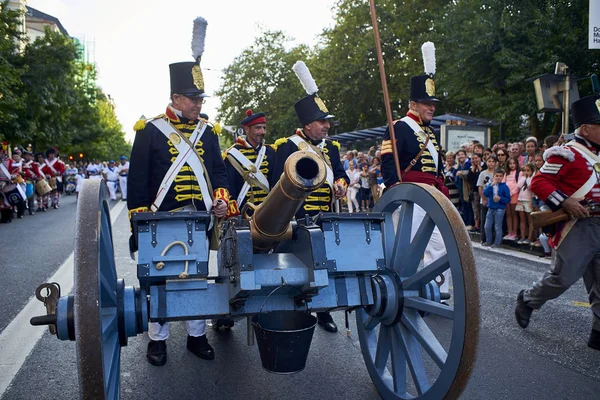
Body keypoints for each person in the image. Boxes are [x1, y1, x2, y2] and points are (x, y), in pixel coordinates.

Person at [127, 16, 230, 366]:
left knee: (197, 277)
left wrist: (220, 198)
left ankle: (196, 336)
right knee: (161, 278)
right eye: (192, 98)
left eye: (200, 98)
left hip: (198, 217)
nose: (198, 104)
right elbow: (138, 181)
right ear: (175, 97)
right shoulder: (150, 130)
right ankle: (157, 340)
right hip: (161, 219)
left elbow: (219, 171)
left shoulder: (208, 132)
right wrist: (138, 220)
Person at [514, 94, 600, 351]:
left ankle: (598, 330)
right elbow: (539, 182)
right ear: (585, 128)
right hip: (579, 225)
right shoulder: (568, 153)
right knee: (562, 278)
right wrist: (564, 202)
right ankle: (528, 300)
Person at [272, 60, 348, 332]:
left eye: (327, 122)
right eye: (321, 122)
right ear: (307, 123)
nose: (326, 127)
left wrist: (340, 183)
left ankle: (324, 311)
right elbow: (276, 183)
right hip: (298, 216)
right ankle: (293, 308)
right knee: (297, 266)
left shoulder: (332, 148)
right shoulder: (288, 146)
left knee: (325, 266)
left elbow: (341, 173)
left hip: (325, 216)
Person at [380, 42, 450, 297]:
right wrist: (394, 191)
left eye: (433, 104)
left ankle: (438, 294)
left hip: (432, 195)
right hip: (410, 196)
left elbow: (437, 166)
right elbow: (388, 160)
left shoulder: (431, 131)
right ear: (413, 104)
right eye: (426, 103)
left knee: (439, 246)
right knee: (406, 250)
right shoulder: (399, 127)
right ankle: (402, 293)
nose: (432, 108)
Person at [223, 109, 276, 216]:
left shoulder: (271, 151)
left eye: (264, 128)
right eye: (258, 128)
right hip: (243, 212)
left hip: (268, 212)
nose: (262, 132)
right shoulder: (232, 153)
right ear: (247, 129)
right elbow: (229, 186)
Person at [482, 169, 510, 247]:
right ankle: (488, 241)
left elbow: (508, 199)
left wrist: (500, 198)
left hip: (500, 209)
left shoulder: (504, 187)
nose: (498, 178)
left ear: (503, 177)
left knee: (497, 226)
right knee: (487, 226)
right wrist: (491, 186)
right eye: (496, 176)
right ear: (493, 176)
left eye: (500, 176)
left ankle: (497, 242)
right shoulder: (491, 185)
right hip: (491, 208)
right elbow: (485, 193)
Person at [477, 155, 498, 244]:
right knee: (484, 220)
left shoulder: (497, 173)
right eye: (489, 161)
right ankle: (484, 237)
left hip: (495, 200)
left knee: (495, 221)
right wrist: (483, 199)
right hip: (485, 200)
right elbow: (480, 187)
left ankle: (494, 238)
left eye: (493, 161)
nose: (491, 163)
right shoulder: (483, 173)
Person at [516, 163, 535, 245]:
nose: (526, 172)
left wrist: (528, 178)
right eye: (524, 171)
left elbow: (530, 187)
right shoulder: (523, 178)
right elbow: (519, 185)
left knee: (530, 220)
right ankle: (523, 236)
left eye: (528, 171)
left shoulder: (532, 178)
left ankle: (530, 237)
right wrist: (523, 177)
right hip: (520, 199)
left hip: (528, 200)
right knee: (522, 220)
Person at [503, 156, 520, 240]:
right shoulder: (506, 173)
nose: (512, 165)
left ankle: (515, 232)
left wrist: (511, 193)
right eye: (510, 163)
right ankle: (509, 232)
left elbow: (518, 185)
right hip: (507, 196)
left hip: (514, 195)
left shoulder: (518, 173)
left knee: (514, 214)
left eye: (514, 163)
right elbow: (503, 183)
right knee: (508, 214)